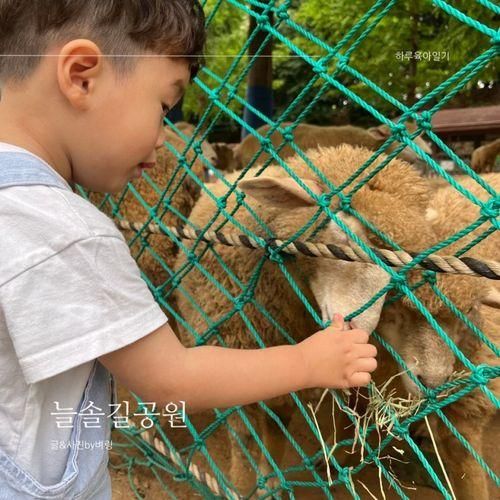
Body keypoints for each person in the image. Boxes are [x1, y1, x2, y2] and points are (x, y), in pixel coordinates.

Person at [0, 1, 377, 498]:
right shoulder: (69, 231)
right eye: (164, 107)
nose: (162, 140)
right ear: (81, 76)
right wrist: (309, 363)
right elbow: (170, 380)